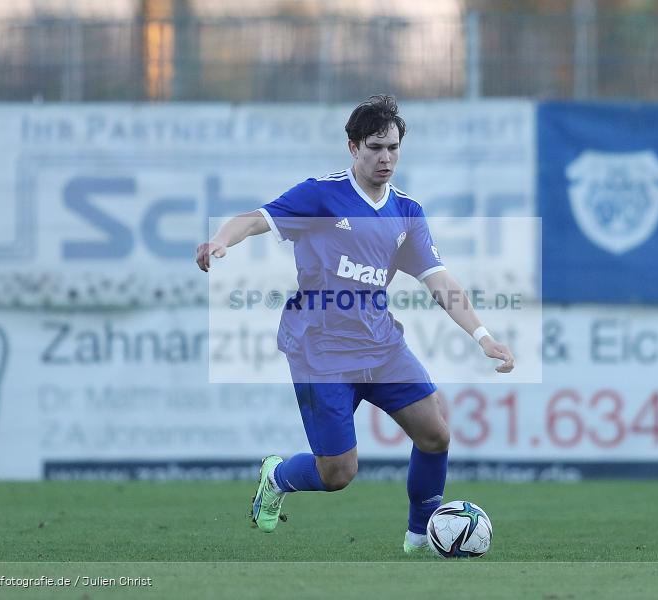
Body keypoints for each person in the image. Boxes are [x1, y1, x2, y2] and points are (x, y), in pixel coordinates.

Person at [196, 94, 514, 554]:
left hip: (381, 346)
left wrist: (483, 336)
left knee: (436, 433)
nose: (386, 158)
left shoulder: (406, 211)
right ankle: (277, 477)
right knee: (338, 473)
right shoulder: (322, 195)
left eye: (393, 148)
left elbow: (439, 280)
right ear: (353, 147)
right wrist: (219, 240)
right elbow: (255, 220)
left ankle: (421, 534)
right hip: (319, 350)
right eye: (375, 147)